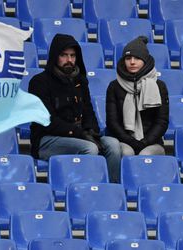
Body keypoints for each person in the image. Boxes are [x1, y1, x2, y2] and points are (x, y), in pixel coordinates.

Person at [28, 33, 121, 183]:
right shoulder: (39, 82)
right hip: (47, 140)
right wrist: (79, 133)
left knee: (113, 145)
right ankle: (87, 190)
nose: (69, 60)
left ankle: (110, 187)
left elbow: (88, 110)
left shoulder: (80, 81)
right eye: (64, 55)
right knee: (90, 149)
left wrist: (92, 131)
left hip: (79, 135)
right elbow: (47, 120)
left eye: (72, 55)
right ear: (54, 56)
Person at [106, 36, 169, 156]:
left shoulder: (159, 86)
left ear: (145, 61)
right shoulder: (114, 86)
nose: (132, 62)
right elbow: (112, 122)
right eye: (128, 58)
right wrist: (131, 141)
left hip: (152, 142)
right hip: (123, 141)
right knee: (126, 152)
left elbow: (161, 121)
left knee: (145, 154)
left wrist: (145, 142)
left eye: (137, 58)